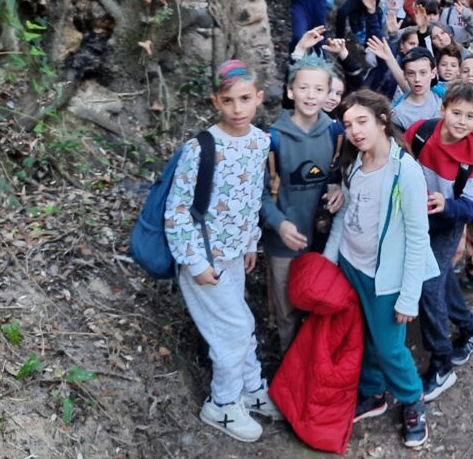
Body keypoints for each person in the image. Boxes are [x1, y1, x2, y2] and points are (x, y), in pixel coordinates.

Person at [164, 60, 277, 442]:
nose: (237, 108)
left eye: (245, 99)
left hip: (233, 255)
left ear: (258, 98)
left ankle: (250, 388)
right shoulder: (201, 148)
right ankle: (222, 404)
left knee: (239, 323)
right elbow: (177, 209)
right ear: (216, 101)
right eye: (228, 101)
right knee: (234, 329)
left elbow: (252, 197)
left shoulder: (260, 142)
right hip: (203, 258)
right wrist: (194, 261)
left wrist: (250, 243)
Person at [322, 90, 439, 449]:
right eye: (348, 125)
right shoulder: (354, 162)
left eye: (362, 121)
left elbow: (418, 237)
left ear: (382, 121)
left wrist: (409, 297)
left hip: (385, 277)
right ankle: (373, 393)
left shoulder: (405, 171)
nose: (355, 131)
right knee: (365, 335)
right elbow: (346, 214)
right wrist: (329, 262)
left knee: (390, 347)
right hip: (351, 266)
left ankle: (412, 398)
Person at [404, 82, 473, 400]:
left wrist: (447, 204)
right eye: (456, 113)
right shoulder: (422, 132)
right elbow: (400, 158)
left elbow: (472, 204)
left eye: (470, 116)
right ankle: (469, 329)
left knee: (429, 284)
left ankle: (441, 363)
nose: (462, 121)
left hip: (446, 224)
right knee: (441, 279)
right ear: (443, 110)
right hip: (414, 218)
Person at [261, 56, 345, 351]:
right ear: (290, 91)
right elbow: (258, 194)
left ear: (328, 93)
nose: (311, 95)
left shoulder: (336, 133)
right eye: (303, 88)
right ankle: (288, 358)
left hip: (323, 239)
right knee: (287, 309)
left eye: (318, 89)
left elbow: (341, 174)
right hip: (284, 240)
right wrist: (279, 224)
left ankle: (313, 359)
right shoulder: (273, 139)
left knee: (318, 303)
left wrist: (339, 188)